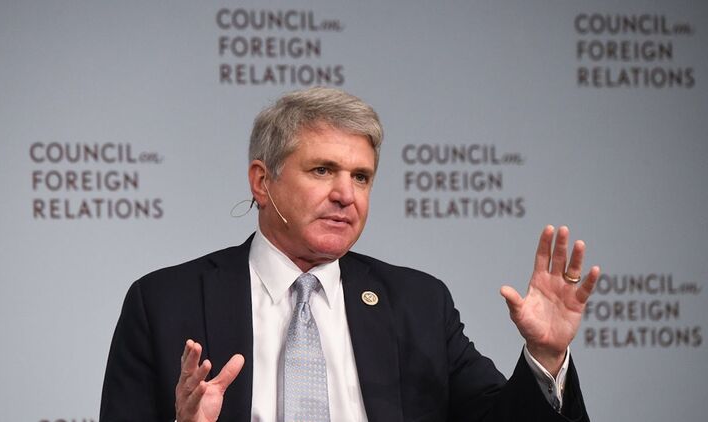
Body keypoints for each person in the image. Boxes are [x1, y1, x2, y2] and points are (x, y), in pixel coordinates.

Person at [100, 87, 599, 422]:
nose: (346, 195)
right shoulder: (164, 302)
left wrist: (546, 356)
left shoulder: (418, 303)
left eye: (361, 177)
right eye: (322, 170)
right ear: (262, 182)